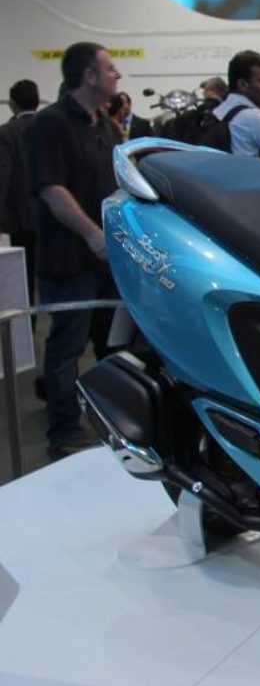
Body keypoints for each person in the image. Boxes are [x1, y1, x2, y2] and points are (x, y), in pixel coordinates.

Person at [26, 42, 124, 457]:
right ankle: (64, 431)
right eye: (110, 67)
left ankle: (113, 424)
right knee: (67, 347)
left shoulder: (107, 127)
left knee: (113, 347)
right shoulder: (49, 124)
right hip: (70, 259)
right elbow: (52, 190)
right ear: (88, 75)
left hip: (108, 260)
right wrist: (93, 236)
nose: (117, 74)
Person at [0, 80, 39, 306]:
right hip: (52, 213)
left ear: (12, 104)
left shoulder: (6, 132)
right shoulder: (50, 126)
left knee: (24, 278)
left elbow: (3, 175)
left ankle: (28, 324)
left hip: (20, 216)